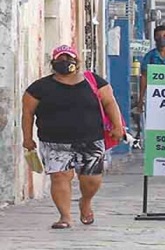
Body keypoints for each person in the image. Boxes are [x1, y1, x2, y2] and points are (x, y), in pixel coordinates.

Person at [22, 45, 125, 229]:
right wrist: (27, 138)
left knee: (91, 180)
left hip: (91, 140)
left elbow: (110, 102)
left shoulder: (94, 81)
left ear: (77, 62)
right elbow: (27, 113)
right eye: (60, 59)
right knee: (60, 177)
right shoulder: (39, 87)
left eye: (68, 58)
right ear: (53, 62)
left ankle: (85, 202)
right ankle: (65, 216)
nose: (64, 62)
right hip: (54, 142)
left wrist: (118, 126)